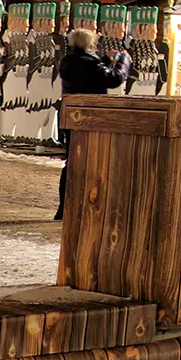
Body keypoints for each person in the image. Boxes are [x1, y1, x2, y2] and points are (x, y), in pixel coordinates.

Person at [54, 28, 124, 220]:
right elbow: (113, 79)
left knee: (72, 161)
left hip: (72, 117)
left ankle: (64, 207)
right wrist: (122, 61)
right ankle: (88, 205)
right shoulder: (88, 64)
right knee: (93, 161)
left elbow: (88, 71)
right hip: (90, 118)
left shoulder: (68, 61)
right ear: (89, 44)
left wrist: (104, 60)